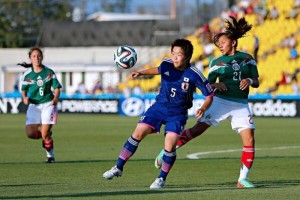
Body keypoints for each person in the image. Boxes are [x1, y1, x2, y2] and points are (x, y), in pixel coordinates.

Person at [155, 16, 260, 188]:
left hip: (240, 104)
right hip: (220, 101)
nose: (220, 46)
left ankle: (242, 179)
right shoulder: (216, 62)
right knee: (196, 131)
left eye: (223, 42)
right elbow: (206, 85)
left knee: (249, 139)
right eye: (218, 44)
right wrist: (218, 84)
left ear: (233, 42)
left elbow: (256, 81)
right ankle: (167, 150)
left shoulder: (248, 59)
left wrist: (249, 81)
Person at [102, 39, 214, 189]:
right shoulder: (167, 64)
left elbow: (209, 95)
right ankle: (118, 167)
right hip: (159, 108)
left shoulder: (194, 74)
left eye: (178, 55)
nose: (174, 57)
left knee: (170, 144)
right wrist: (141, 73)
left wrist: (203, 108)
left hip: (178, 113)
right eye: (173, 53)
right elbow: (158, 69)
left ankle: (161, 178)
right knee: (138, 133)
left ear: (187, 57)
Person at [19, 47, 62, 163]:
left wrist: (56, 98)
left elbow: (57, 88)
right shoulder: (27, 75)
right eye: (34, 56)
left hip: (48, 104)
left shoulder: (49, 72)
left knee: (45, 134)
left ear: (42, 57)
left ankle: (50, 157)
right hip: (34, 106)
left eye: (39, 56)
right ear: (30, 58)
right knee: (30, 134)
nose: (36, 58)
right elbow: (23, 90)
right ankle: (46, 135)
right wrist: (24, 98)